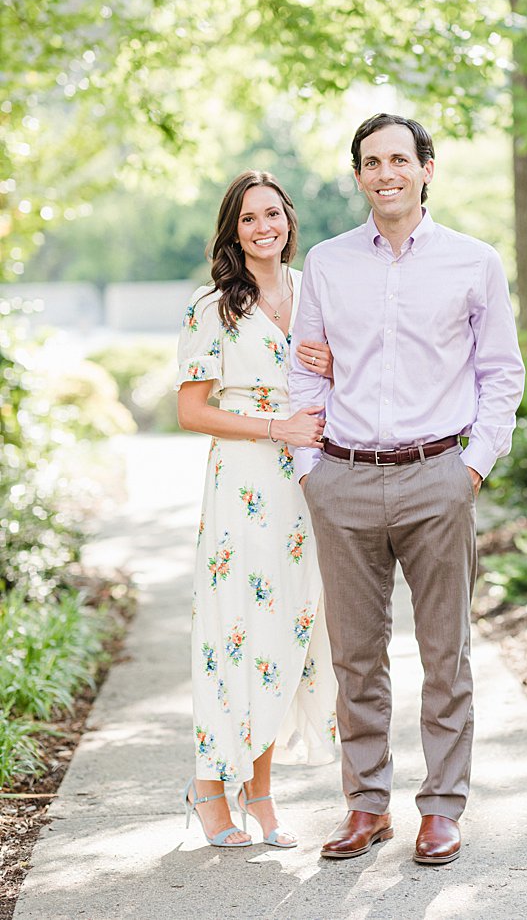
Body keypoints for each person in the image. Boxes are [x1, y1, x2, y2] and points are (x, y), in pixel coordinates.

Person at [289, 112, 525, 866]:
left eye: (399, 158)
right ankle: (365, 806)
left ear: (427, 168)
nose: (385, 172)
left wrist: (473, 468)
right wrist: (311, 470)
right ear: (357, 176)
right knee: (356, 657)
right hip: (344, 477)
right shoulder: (326, 263)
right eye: (370, 162)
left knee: (443, 653)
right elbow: (306, 366)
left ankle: (442, 808)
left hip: (437, 477)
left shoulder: (473, 261)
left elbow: (501, 373)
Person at [175, 170, 339, 849]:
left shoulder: (316, 294)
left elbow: (345, 381)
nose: (263, 226)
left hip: (306, 483)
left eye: (273, 213)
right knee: (233, 631)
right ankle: (211, 787)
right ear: (232, 230)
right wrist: (277, 428)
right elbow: (191, 410)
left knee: (288, 636)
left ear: (289, 220)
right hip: (243, 483)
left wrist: (331, 365)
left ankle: (262, 793)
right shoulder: (212, 306)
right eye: (248, 218)